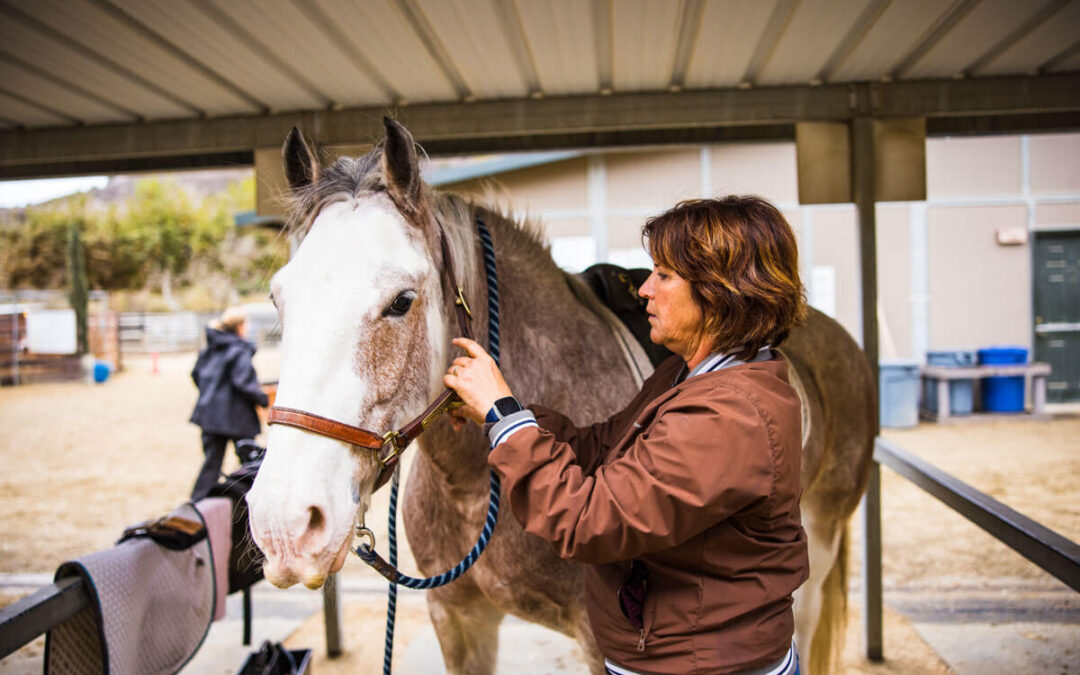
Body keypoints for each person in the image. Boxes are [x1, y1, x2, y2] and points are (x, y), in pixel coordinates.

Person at [445, 196, 809, 675]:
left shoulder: (729, 415)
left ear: (719, 293)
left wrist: (504, 417)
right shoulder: (689, 376)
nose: (644, 290)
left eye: (663, 274)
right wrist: (499, 415)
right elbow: (602, 448)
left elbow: (590, 522)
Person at [189, 307, 269, 501]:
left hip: (210, 414)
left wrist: (211, 395)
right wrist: (262, 398)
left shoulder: (209, 348)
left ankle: (197, 504)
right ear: (240, 326)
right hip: (237, 417)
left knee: (211, 463)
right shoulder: (238, 350)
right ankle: (255, 500)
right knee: (249, 459)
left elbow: (196, 374)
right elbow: (243, 382)